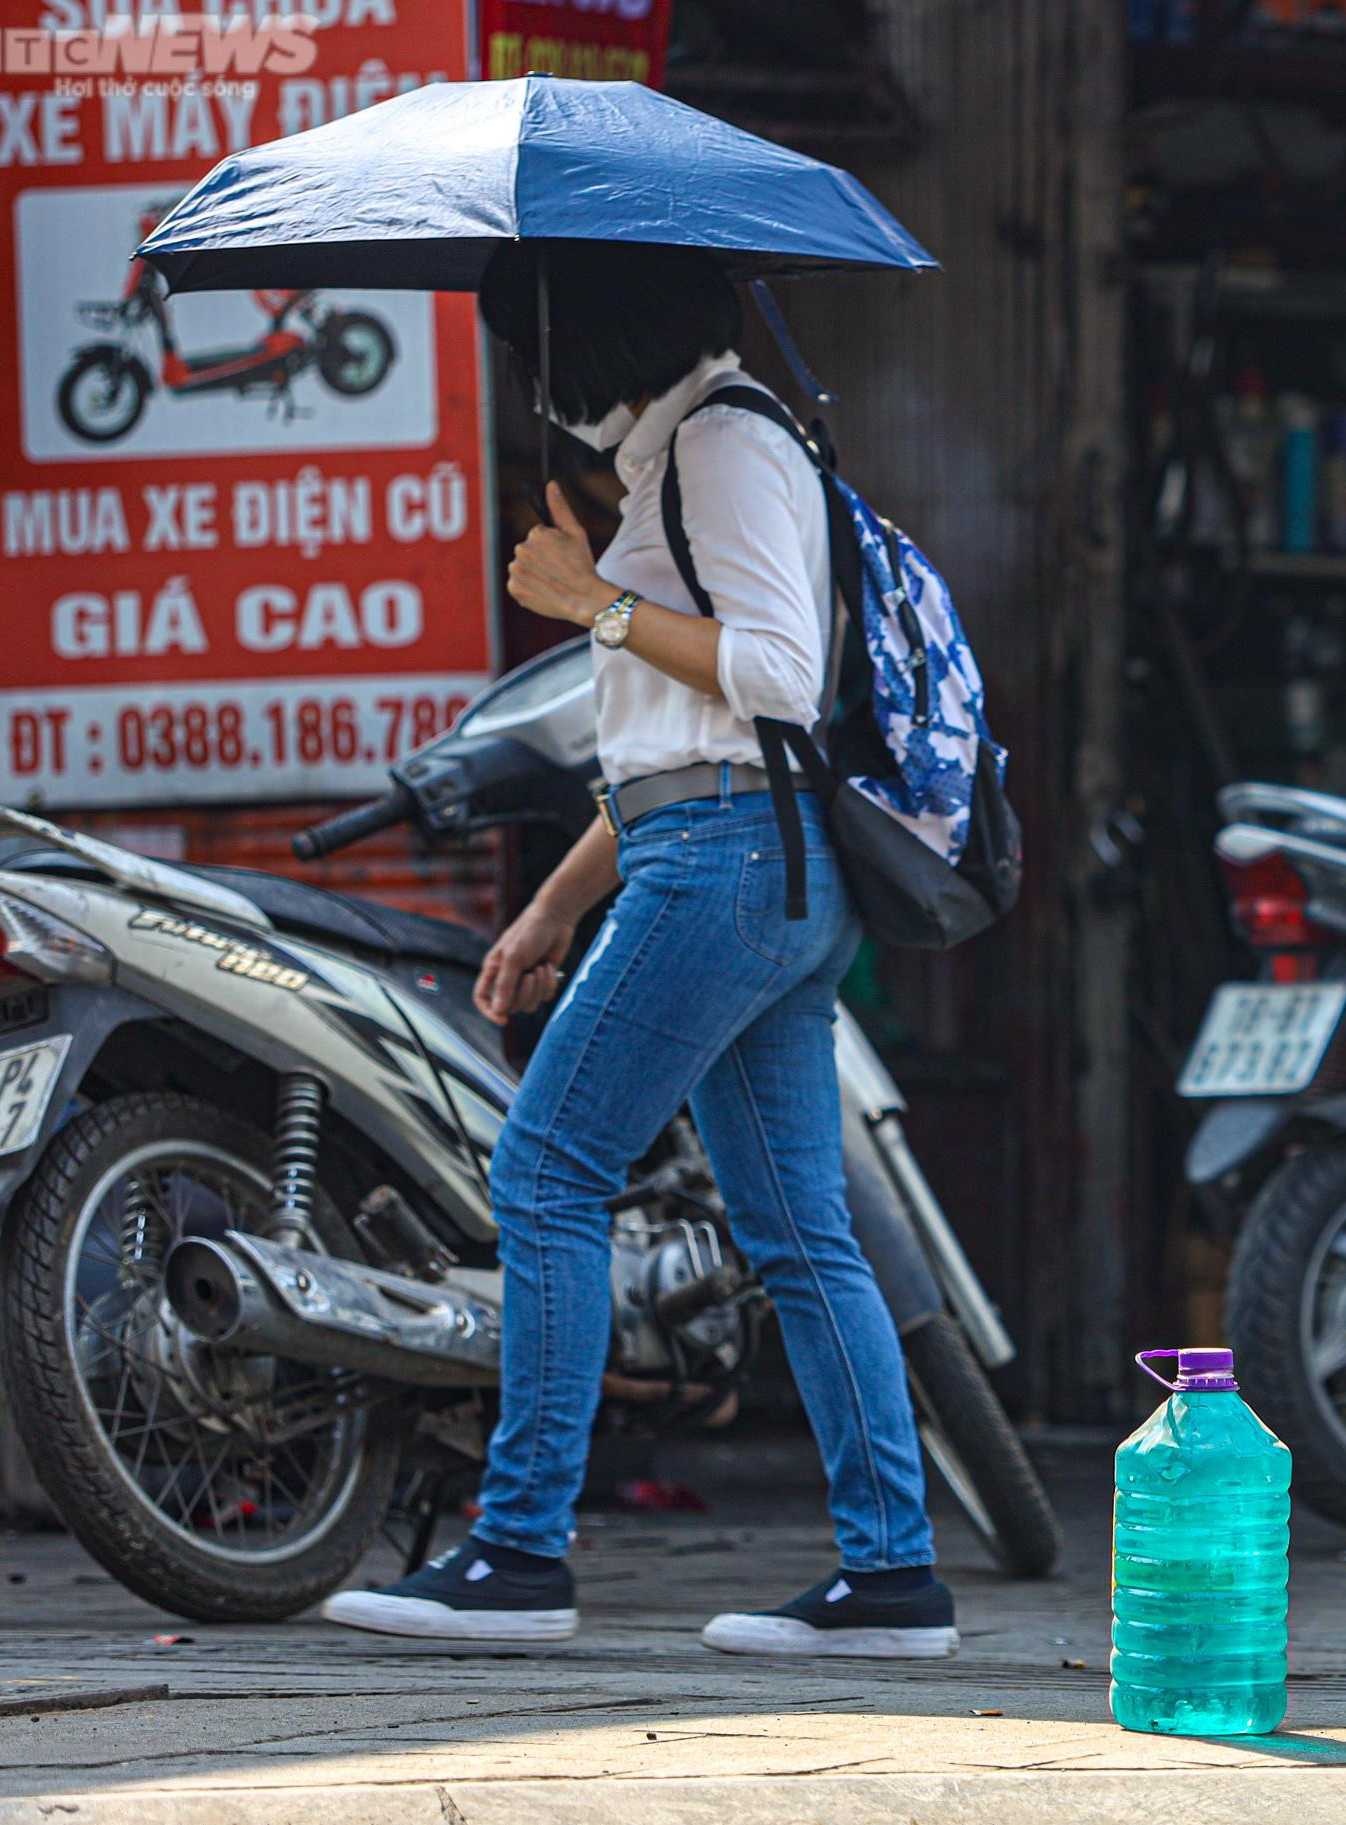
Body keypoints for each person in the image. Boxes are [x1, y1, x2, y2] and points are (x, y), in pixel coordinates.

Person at [320, 242, 955, 1657]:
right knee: (799, 1232)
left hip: (728, 865)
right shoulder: (694, 449)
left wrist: (588, 600)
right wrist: (554, 904)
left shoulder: (724, 444)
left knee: (546, 1171)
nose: (533, 381)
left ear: (588, 331)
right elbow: (680, 744)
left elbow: (775, 680)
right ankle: (891, 1579)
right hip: (745, 858)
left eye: (528, 347)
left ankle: (517, 1553)